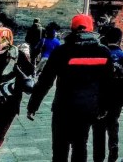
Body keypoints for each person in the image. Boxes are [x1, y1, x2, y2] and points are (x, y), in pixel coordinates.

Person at [27, 14, 113, 162]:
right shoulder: (103, 52)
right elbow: (108, 83)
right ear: (91, 29)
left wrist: (33, 105)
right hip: (88, 108)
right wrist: (104, 107)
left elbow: (45, 81)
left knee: (60, 147)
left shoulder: (62, 51)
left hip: (64, 107)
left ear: (72, 28)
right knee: (80, 145)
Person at [0, 27, 34, 161]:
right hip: (9, 101)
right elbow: (30, 74)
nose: (2, 42)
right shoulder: (18, 54)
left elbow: (28, 74)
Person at [92, 26, 123, 162]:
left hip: (100, 97)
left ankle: (99, 157)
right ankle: (113, 147)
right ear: (120, 39)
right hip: (117, 97)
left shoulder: (99, 55)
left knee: (98, 128)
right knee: (113, 123)